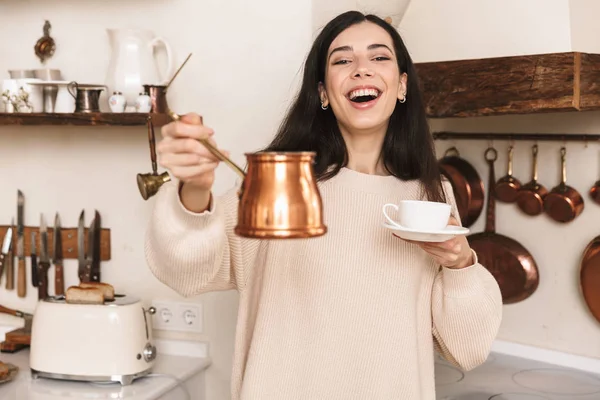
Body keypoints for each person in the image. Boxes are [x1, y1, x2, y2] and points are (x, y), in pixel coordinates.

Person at [145, 10, 503, 400]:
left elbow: (468, 350)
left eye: (379, 57)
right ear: (322, 92)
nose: (362, 69)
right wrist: (194, 189)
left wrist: (461, 264)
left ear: (402, 85)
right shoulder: (278, 182)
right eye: (343, 60)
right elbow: (186, 270)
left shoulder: (432, 195)